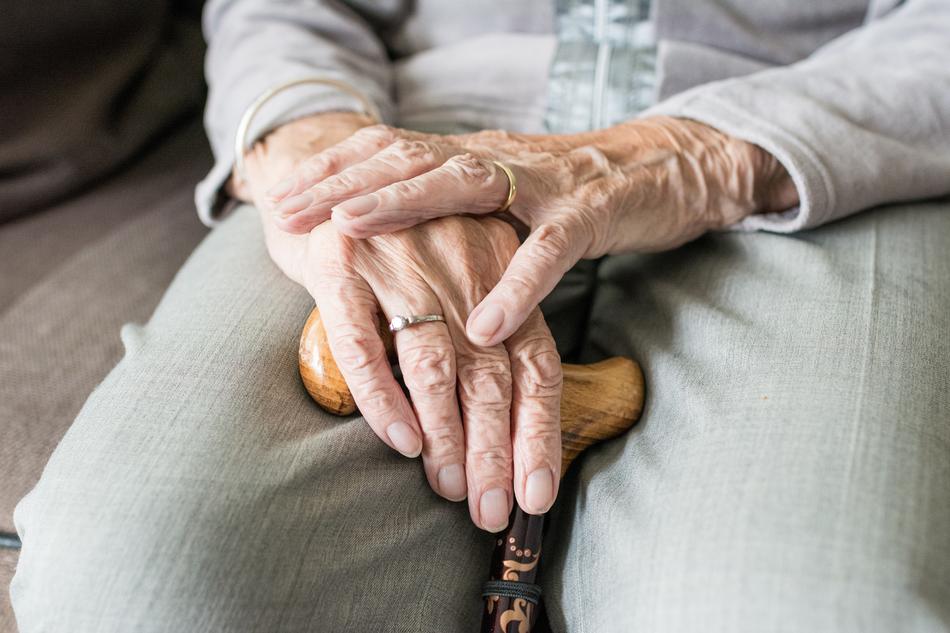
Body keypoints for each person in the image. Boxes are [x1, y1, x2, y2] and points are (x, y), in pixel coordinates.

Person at [11, 1, 950, 631]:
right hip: (405, 131)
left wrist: (690, 154)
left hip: (812, 142)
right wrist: (328, 157)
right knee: (137, 577)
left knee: (821, 602)